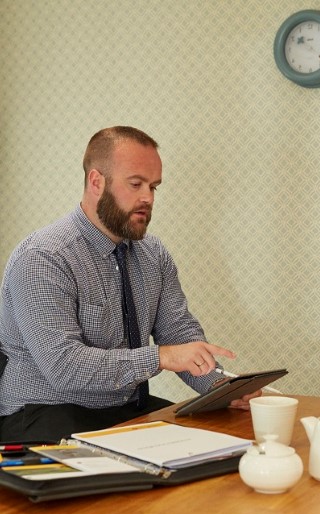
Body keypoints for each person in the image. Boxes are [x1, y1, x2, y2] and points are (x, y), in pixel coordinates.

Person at [0, 126, 259, 441]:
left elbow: (180, 334)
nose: (147, 198)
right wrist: (161, 356)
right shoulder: (42, 258)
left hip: (123, 408)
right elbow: (65, 368)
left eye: (154, 187)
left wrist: (225, 391)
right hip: (44, 413)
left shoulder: (153, 254)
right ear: (96, 182)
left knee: (218, 441)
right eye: (135, 184)